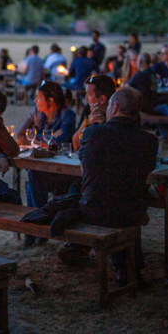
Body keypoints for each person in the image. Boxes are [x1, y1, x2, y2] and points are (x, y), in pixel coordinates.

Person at [62, 87, 157, 288]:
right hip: (132, 212)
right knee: (121, 202)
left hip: (94, 210)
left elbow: (85, 168)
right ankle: (128, 269)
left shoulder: (93, 133)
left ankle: (108, 261)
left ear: (113, 107)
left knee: (81, 192)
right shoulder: (150, 141)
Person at [16, 81, 76, 245]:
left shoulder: (67, 114)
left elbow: (59, 143)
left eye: (38, 97)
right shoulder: (37, 113)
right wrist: (46, 138)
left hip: (62, 172)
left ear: (50, 100)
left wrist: (36, 136)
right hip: (43, 168)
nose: (35, 101)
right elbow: (20, 136)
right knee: (33, 175)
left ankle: (35, 227)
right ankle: (36, 227)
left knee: (32, 180)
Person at [72, 75, 117, 151]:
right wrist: (87, 122)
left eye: (89, 94)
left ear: (102, 99)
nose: (86, 98)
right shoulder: (88, 109)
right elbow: (76, 145)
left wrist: (104, 123)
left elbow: (114, 146)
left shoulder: (117, 112)